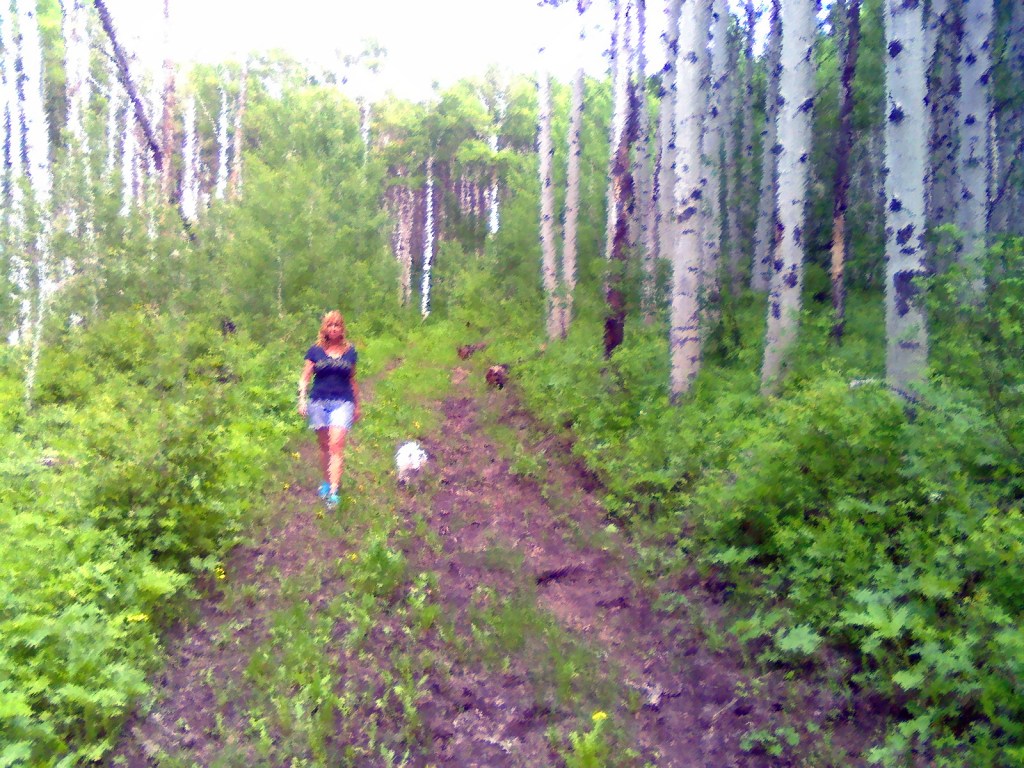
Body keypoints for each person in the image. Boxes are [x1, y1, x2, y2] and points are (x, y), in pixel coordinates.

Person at [298, 310, 360, 507]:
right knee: (324, 446)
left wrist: (357, 405)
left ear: (342, 329)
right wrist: (302, 399)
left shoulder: (350, 352)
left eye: (337, 325)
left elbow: (352, 379)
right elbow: (305, 377)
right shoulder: (315, 351)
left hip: (343, 402)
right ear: (324, 328)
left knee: (336, 445)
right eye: (330, 325)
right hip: (318, 402)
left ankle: (333, 491)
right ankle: (326, 481)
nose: (334, 328)